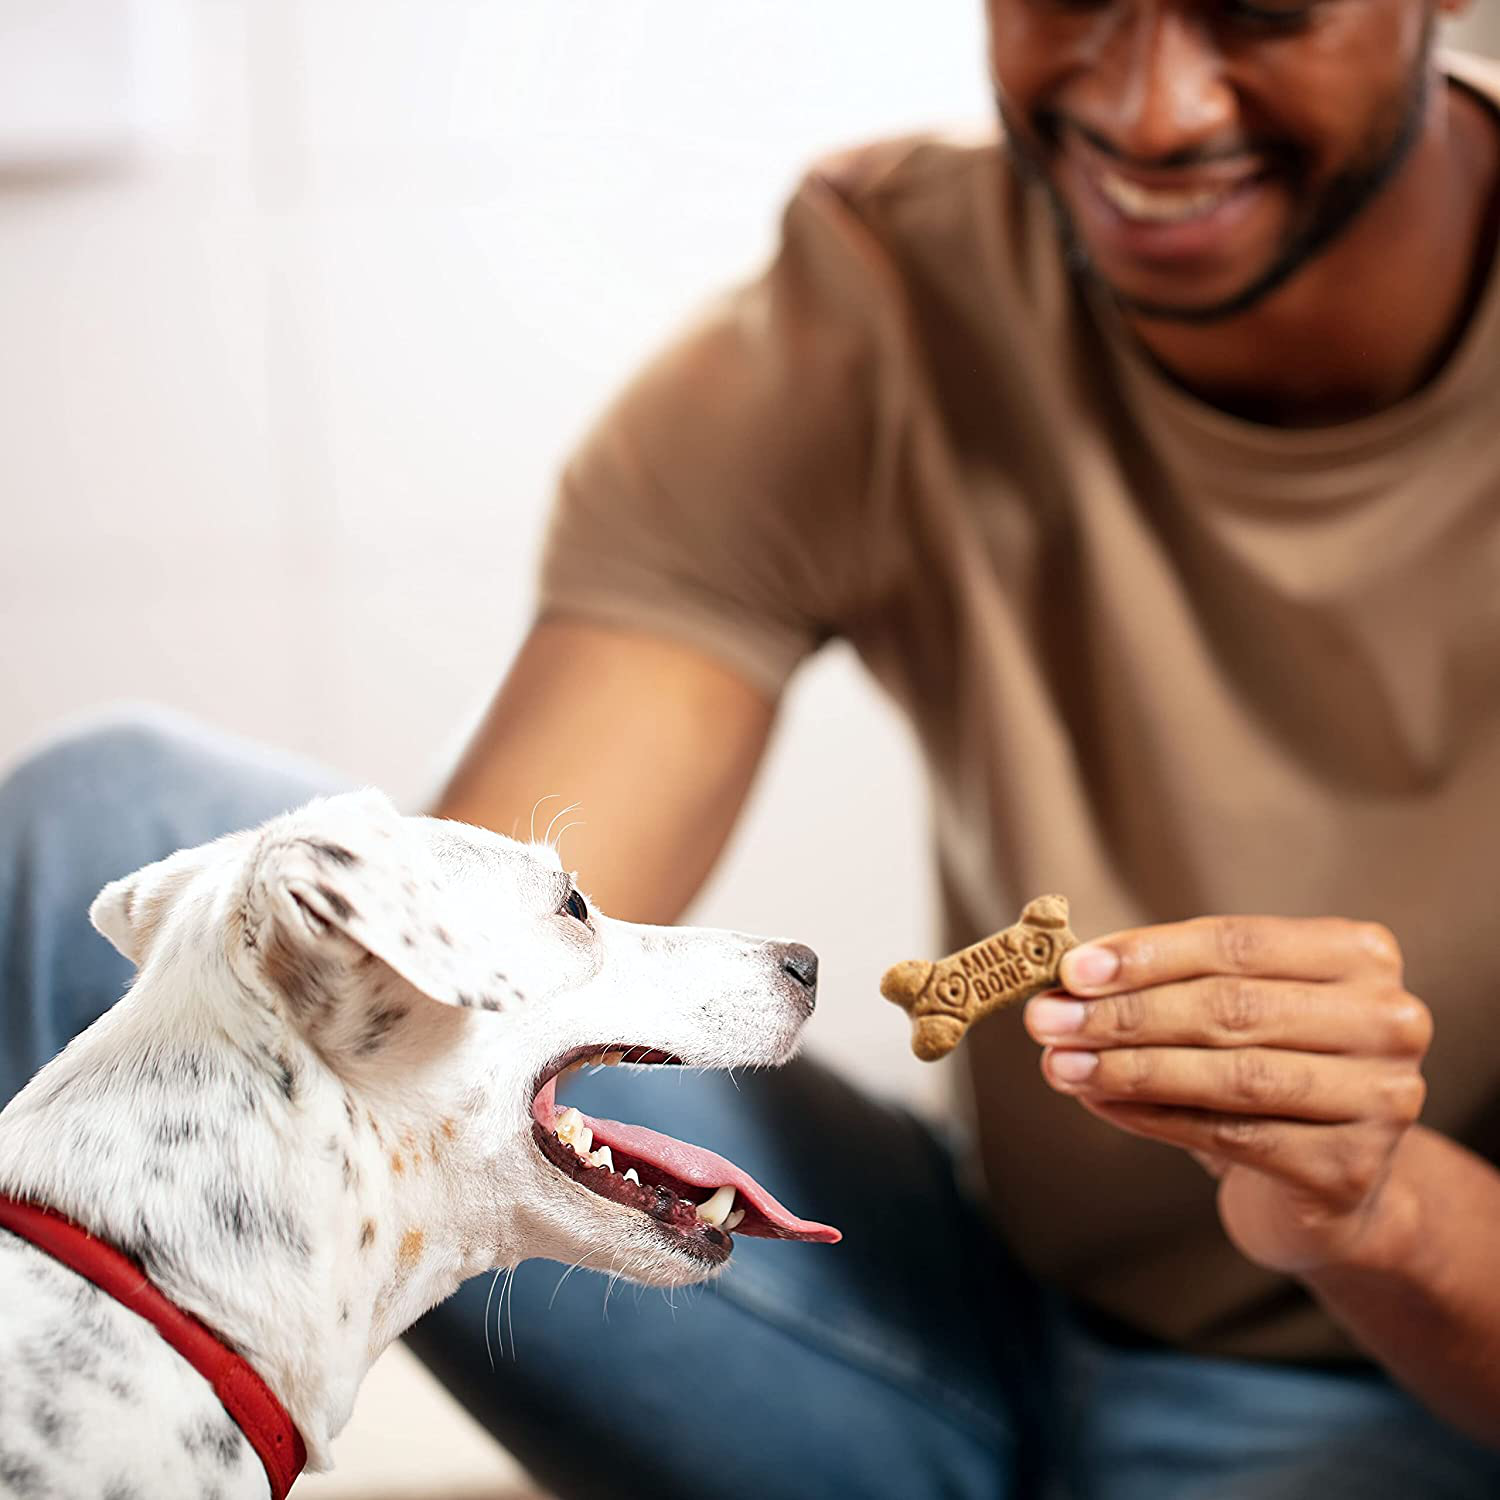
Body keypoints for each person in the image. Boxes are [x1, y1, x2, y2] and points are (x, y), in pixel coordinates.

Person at [5, 1, 1500, 1495]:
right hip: (968, 1335)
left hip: (1431, 1384)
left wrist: (1380, 1210)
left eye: (1264, 11)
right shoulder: (883, 298)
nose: (1154, 109)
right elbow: (472, 1001)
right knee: (103, 819)